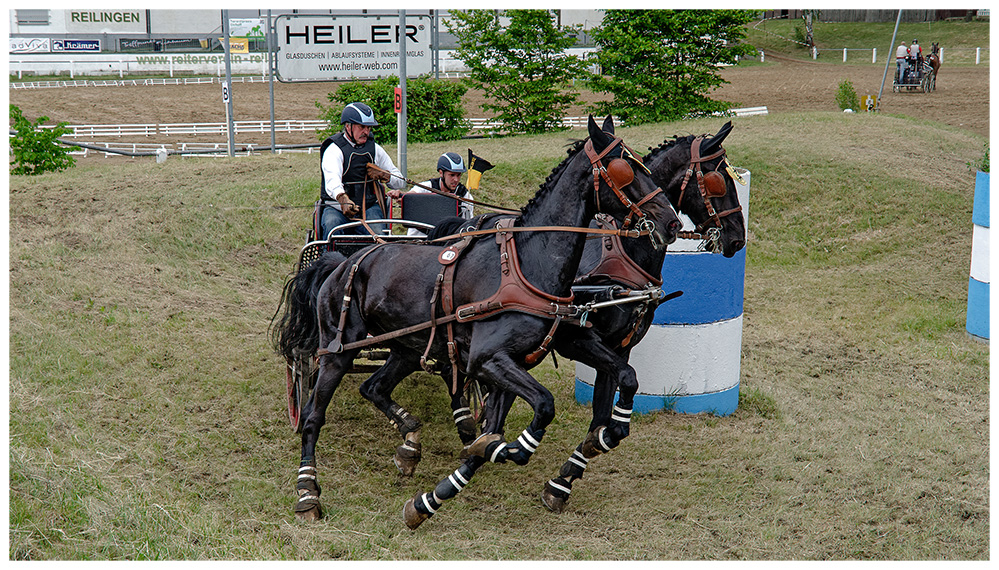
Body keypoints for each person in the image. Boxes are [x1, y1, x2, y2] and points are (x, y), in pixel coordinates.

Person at [318, 102, 405, 238]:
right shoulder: (334, 150)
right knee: (332, 226)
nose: (366, 132)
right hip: (336, 208)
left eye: (368, 128)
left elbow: (400, 182)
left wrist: (385, 176)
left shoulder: (375, 149)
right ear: (348, 126)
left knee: (379, 234)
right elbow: (332, 181)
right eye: (362, 127)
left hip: (369, 207)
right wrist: (343, 199)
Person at [401, 152, 475, 237]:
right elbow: (410, 197)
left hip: (448, 242)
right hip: (418, 240)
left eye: (459, 175)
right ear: (441, 173)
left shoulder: (465, 196)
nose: (456, 179)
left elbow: (468, 226)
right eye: (452, 175)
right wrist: (400, 195)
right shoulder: (427, 187)